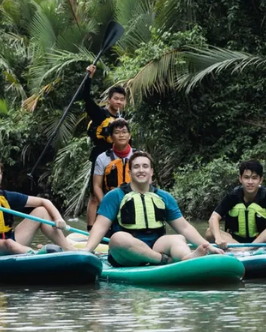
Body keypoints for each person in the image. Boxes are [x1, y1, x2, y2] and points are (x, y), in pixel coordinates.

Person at [83, 151, 223, 266]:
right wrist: (87, 251)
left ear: (151, 172)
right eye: (136, 167)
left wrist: (208, 246)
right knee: (118, 238)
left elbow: (184, 227)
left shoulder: (164, 197)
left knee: (177, 238)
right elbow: (100, 227)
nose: (141, 170)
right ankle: (162, 260)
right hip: (127, 254)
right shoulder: (115, 196)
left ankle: (188, 257)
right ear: (130, 172)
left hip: (156, 245)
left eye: (145, 166)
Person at [0, 158, 73, 259]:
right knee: (9, 244)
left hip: (7, 239)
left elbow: (44, 201)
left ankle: (70, 250)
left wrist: (58, 219)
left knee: (41, 211)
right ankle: (37, 254)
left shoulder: (6, 196)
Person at [206, 160, 266, 246]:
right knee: (210, 232)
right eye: (246, 177)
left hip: (262, 241)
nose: (250, 182)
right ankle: (241, 249)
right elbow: (213, 218)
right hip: (236, 242)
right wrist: (218, 238)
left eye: (254, 178)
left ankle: (248, 248)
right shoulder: (233, 195)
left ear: (260, 180)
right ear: (240, 179)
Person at [82, 64, 127, 230]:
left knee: (115, 190)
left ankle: (112, 225)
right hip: (100, 156)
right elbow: (86, 98)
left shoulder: (122, 118)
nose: (119, 102)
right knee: (95, 195)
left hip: (116, 157)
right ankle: (90, 229)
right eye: (116, 99)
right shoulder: (100, 114)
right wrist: (89, 77)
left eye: (122, 99)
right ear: (109, 99)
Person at [92, 119, 134, 207]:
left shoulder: (138, 156)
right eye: (117, 132)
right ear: (111, 137)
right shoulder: (102, 158)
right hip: (112, 202)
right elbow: (97, 186)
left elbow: (147, 182)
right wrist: (106, 206)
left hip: (134, 202)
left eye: (124, 132)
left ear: (129, 136)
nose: (121, 135)